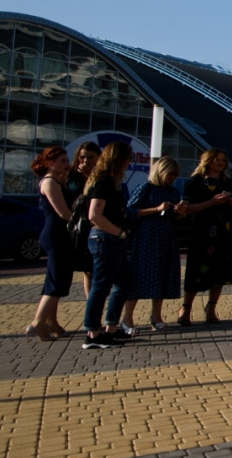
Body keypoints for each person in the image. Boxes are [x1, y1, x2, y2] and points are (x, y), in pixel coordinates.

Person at [116, 157, 185, 332]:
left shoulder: (173, 192)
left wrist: (179, 213)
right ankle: (127, 318)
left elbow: (175, 219)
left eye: (175, 175)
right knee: (138, 277)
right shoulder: (146, 188)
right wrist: (156, 209)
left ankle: (156, 316)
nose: (171, 178)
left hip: (166, 237)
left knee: (162, 275)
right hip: (146, 238)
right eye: (170, 174)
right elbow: (130, 211)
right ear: (160, 172)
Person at [80, 142, 135, 350]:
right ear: (119, 159)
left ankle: (111, 327)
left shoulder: (111, 181)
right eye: (128, 158)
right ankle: (92, 333)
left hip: (113, 238)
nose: (130, 162)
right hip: (105, 238)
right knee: (101, 287)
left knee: (124, 283)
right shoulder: (103, 182)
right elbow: (94, 215)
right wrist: (118, 232)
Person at [180, 148, 232, 324]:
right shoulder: (195, 182)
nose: (221, 163)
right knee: (195, 271)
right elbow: (187, 208)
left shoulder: (227, 182)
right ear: (208, 161)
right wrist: (212, 202)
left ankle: (212, 308)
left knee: (219, 271)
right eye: (217, 160)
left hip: (224, 231)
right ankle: (186, 308)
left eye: (223, 160)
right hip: (202, 232)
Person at [28, 146, 75, 340]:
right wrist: (85, 221)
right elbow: (63, 212)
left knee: (56, 280)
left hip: (61, 234)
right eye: (62, 161)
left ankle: (51, 321)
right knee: (57, 281)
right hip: (56, 235)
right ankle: (37, 323)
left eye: (66, 160)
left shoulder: (58, 181)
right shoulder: (49, 183)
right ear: (50, 163)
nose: (67, 164)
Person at [66, 141, 101, 297]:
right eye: (82, 157)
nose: (86, 161)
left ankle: (91, 304)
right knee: (86, 270)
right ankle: (90, 303)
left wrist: (90, 177)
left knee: (92, 268)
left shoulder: (101, 177)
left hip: (92, 224)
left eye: (90, 157)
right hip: (74, 224)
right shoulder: (71, 176)